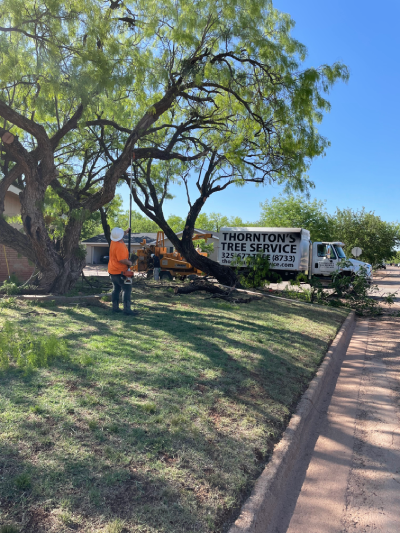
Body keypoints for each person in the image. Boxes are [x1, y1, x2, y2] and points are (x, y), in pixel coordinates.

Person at [108, 227, 136, 316]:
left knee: (116, 289)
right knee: (127, 289)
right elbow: (122, 260)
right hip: (121, 271)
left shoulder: (113, 241)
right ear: (120, 236)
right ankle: (127, 310)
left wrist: (126, 231)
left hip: (112, 270)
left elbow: (119, 234)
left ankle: (115, 308)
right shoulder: (120, 246)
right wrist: (130, 262)